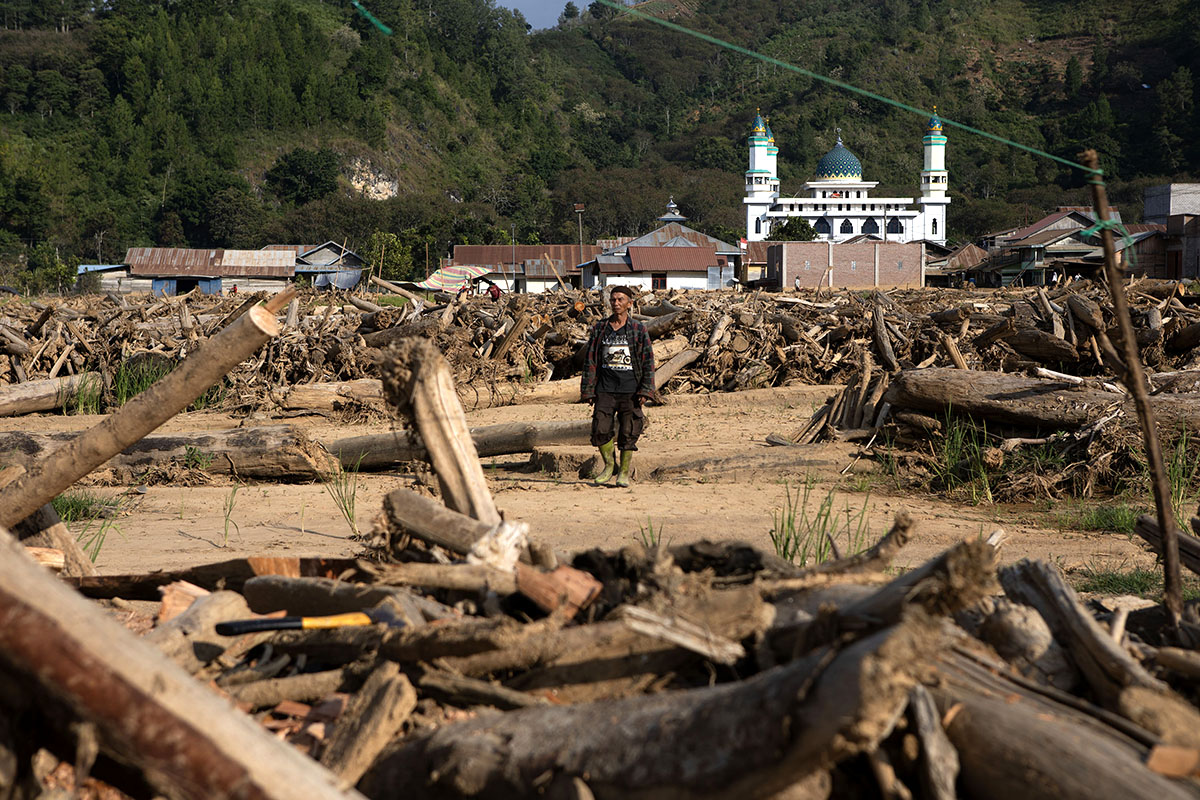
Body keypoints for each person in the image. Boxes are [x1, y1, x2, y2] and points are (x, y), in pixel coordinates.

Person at [580, 285, 657, 487]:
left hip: (631, 389)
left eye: (621, 300)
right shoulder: (600, 328)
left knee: (629, 431)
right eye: (613, 300)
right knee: (600, 428)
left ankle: (623, 472)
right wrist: (588, 389)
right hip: (605, 388)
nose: (616, 303)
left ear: (629, 304)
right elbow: (590, 360)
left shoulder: (638, 329)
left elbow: (648, 360)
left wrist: (646, 390)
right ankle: (609, 466)